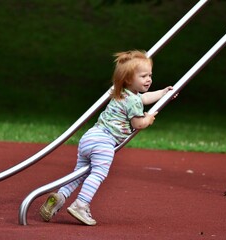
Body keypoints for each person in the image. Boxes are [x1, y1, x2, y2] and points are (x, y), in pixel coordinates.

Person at [39, 50, 174, 226]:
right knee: (98, 173)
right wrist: (148, 119)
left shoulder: (123, 93)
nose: (149, 79)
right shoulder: (133, 101)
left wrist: (163, 93)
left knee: (79, 174)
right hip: (104, 142)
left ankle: (60, 196)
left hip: (90, 137)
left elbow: (145, 98)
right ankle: (81, 204)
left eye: (150, 75)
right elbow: (137, 124)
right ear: (128, 79)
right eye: (143, 76)